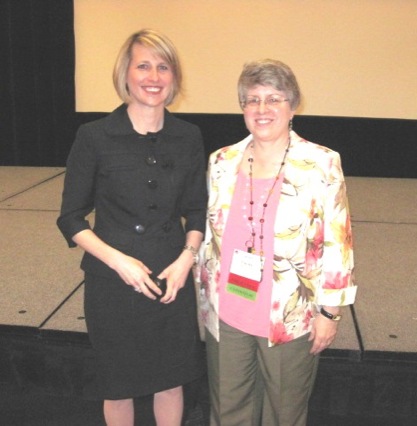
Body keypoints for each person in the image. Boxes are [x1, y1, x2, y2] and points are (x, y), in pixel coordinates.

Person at [57, 29, 207, 426]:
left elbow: (196, 211)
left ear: (174, 78)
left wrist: (186, 261)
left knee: (171, 383)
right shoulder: (94, 137)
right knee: (118, 385)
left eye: (163, 67)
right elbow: (71, 217)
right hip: (112, 282)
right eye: (143, 65)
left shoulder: (188, 137)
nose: (153, 76)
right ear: (125, 73)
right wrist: (117, 261)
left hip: (170, 278)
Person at [198, 59, 357, 425]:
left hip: (290, 315)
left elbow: (339, 241)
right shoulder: (222, 161)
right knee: (227, 411)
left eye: (274, 99)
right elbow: (209, 234)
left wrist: (330, 312)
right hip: (228, 310)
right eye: (252, 100)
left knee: (284, 414)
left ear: (293, 106)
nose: (262, 109)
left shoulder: (320, 163)